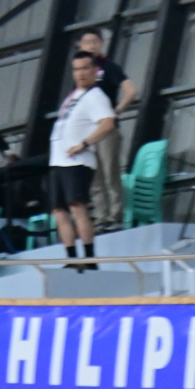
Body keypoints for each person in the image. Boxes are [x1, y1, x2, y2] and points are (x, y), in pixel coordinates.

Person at [50, 52, 117, 269]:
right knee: (59, 210)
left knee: (77, 207)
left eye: (85, 68)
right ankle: (71, 258)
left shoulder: (96, 96)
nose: (80, 73)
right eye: (76, 69)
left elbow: (108, 123)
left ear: (95, 70)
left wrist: (85, 143)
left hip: (76, 161)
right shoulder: (74, 95)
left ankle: (89, 258)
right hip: (58, 160)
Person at [75, 30, 137, 232]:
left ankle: (115, 216)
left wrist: (117, 111)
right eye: (87, 42)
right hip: (87, 131)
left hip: (106, 129)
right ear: (80, 46)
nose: (91, 45)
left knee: (111, 172)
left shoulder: (109, 67)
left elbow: (131, 91)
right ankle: (101, 217)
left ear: (102, 43)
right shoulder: (81, 72)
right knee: (94, 176)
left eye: (95, 41)